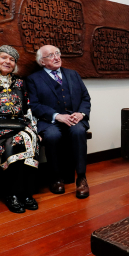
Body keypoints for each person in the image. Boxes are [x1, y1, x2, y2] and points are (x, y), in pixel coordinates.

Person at [0, 45, 40, 213]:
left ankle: (27, 193)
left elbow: (27, 108)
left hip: (20, 124)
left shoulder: (20, 82)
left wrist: (33, 129)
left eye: (12, 60)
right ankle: (12, 194)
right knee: (16, 141)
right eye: (4, 57)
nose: (7, 61)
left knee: (32, 139)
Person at [26, 44, 91, 198]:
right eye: (51, 55)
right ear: (42, 62)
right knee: (52, 136)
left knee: (79, 131)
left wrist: (81, 114)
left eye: (57, 53)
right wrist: (56, 116)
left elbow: (85, 98)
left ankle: (81, 178)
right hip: (50, 122)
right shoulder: (33, 79)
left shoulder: (73, 74)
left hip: (74, 119)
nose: (56, 57)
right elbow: (34, 105)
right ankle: (56, 178)